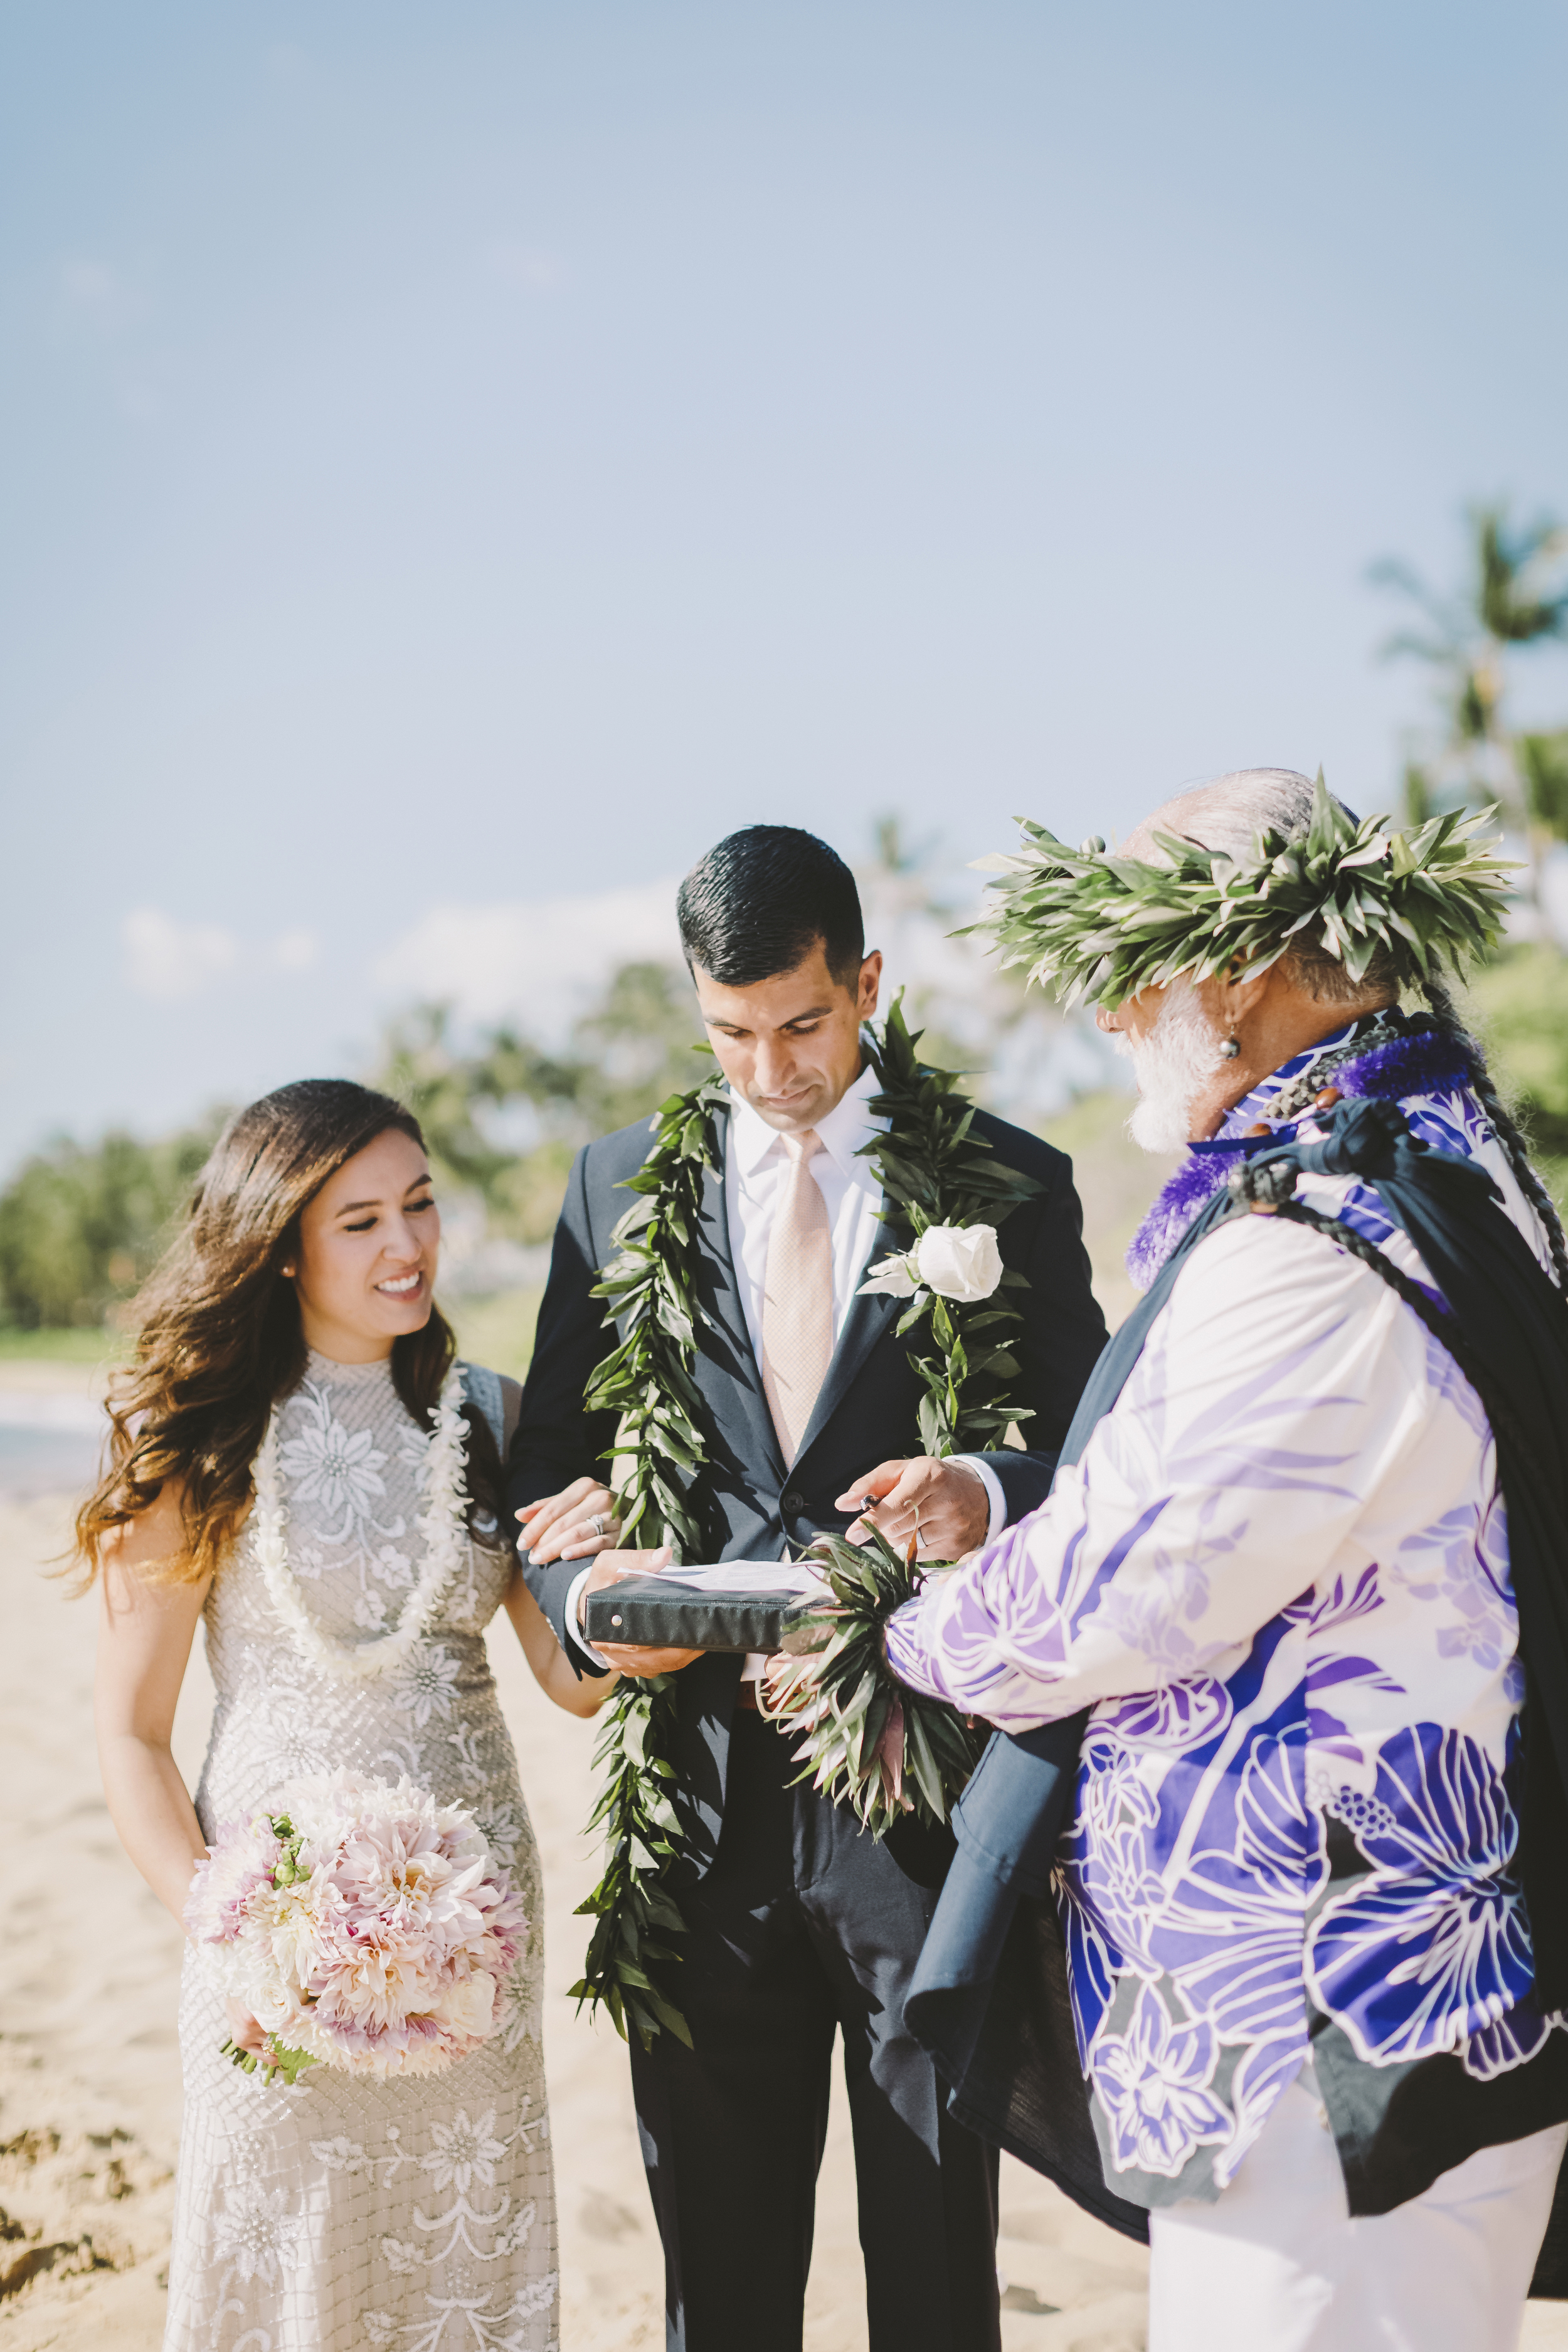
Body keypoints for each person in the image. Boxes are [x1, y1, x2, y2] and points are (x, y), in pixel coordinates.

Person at [879, 769, 1568, 2352]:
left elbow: (1133, 1590)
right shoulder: (1446, 1164)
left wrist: (912, 1627)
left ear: (1237, 975)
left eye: (1131, 977)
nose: (1113, 1023)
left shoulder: (1318, 1234)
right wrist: (1007, 1502)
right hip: (1385, 2004)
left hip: (1329, 2041)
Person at [509, 824, 1109, 2352]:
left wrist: (976, 1488)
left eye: (802, 1024)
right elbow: (550, 1471)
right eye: (729, 1033)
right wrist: (581, 1600)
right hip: (695, 1796)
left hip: (918, 1799)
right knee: (716, 2269)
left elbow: (1087, 1454)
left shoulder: (1007, 1185)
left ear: (865, 983)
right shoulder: (613, 1186)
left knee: (930, 2260)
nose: (769, 1068)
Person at [86, 1079, 613, 2352]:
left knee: (456, 2260)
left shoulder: (490, 1414)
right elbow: (131, 1738)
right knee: (283, 2248)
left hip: (473, 1922)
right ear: (281, 1251)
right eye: (363, 1222)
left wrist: (607, 1570)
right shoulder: (193, 1434)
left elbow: (575, 1679)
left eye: (420, 1206)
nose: (409, 1247)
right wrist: (230, 1934)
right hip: (263, 1925)